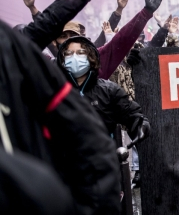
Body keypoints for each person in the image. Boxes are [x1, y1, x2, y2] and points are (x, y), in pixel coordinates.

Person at [0, 20, 119, 214]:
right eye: (63, 39)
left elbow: (97, 148)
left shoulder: (104, 88)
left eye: (80, 52)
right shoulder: (19, 90)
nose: (74, 57)